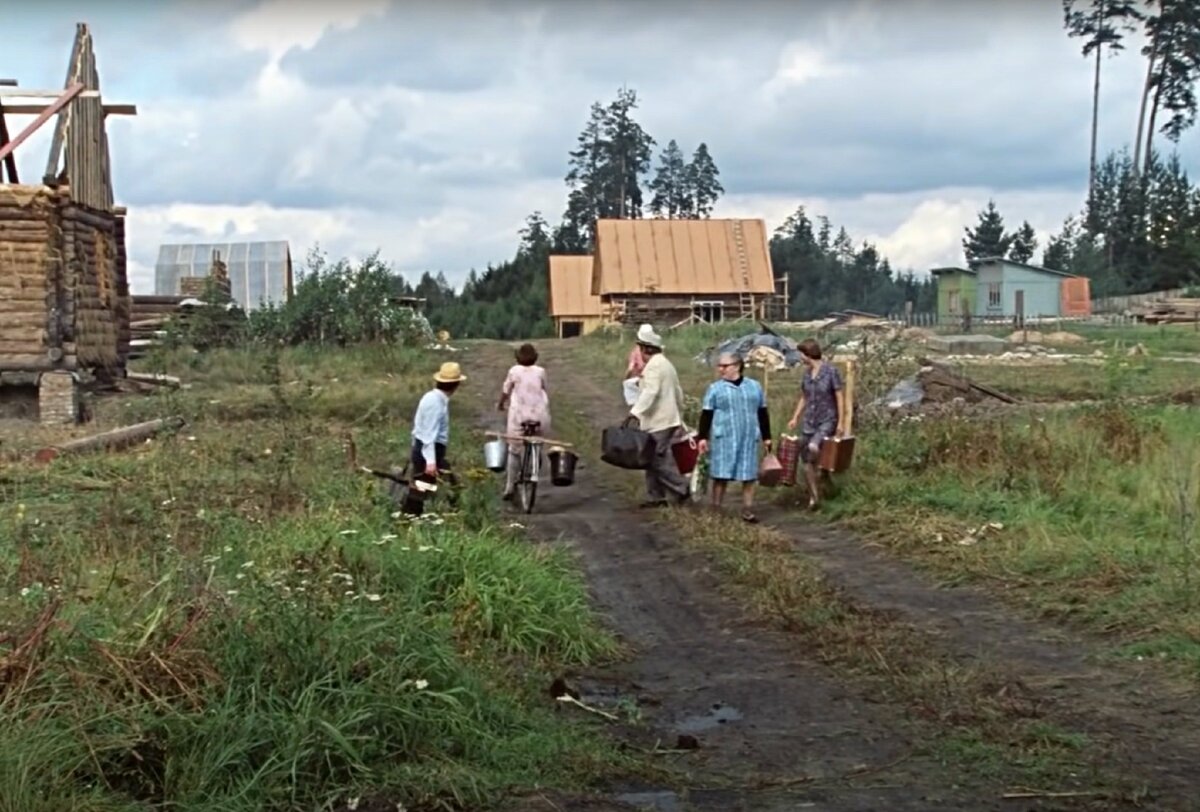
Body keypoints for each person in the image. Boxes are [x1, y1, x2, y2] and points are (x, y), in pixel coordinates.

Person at [696, 352, 772, 523]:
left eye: (724, 366)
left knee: (749, 475)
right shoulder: (715, 389)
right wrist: (703, 437)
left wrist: (767, 436)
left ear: (737, 366)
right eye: (719, 366)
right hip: (724, 437)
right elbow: (706, 414)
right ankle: (716, 508)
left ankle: (747, 509)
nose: (721, 369)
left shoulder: (754, 387)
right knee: (720, 475)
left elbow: (762, 412)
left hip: (748, 436)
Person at [629, 326, 691, 508]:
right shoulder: (666, 364)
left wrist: (635, 412)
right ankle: (655, 496)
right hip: (667, 418)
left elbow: (651, 392)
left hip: (660, 421)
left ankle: (682, 487)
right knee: (651, 457)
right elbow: (678, 392)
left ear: (645, 349)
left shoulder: (655, 366)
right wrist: (679, 413)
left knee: (655, 459)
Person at [786, 339, 846, 510]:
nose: (800, 358)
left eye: (801, 354)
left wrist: (841, 421)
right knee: (805, 459)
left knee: (814, 446)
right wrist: (795, 417)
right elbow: (804, 397)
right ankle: (814, 497)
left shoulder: (830, 371)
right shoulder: (806, 374)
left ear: (807, 354)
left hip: (827, 418)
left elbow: (839, 396)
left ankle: (824, 471)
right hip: (809, 421)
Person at [405, 361, 467, 515]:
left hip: (426, 449)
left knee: (436, 485)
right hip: (429, 450)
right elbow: (428, 434)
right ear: (456, 384)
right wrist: (431, 462)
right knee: (421, 488)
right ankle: (411, 517)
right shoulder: (436, 404)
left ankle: (423, 515)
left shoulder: (433, 398)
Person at [497, 342, 551, 501]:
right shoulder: (541, 371)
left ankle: (509, 486)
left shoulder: (514, 371)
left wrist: (501, 403)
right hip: (539, 416)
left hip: (519, 416)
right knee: (537, 443)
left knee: (514, 450)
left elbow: (506, 390)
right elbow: (544, 389)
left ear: (517, 358)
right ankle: (534, 464)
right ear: (535, 358)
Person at [621, 324, 653, 406]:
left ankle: (634, 406)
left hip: (642, 378)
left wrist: (625, 379)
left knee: (628, 384)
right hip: (655, 378)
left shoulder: (636, 350)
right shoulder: (657, 349)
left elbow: (630, 369)